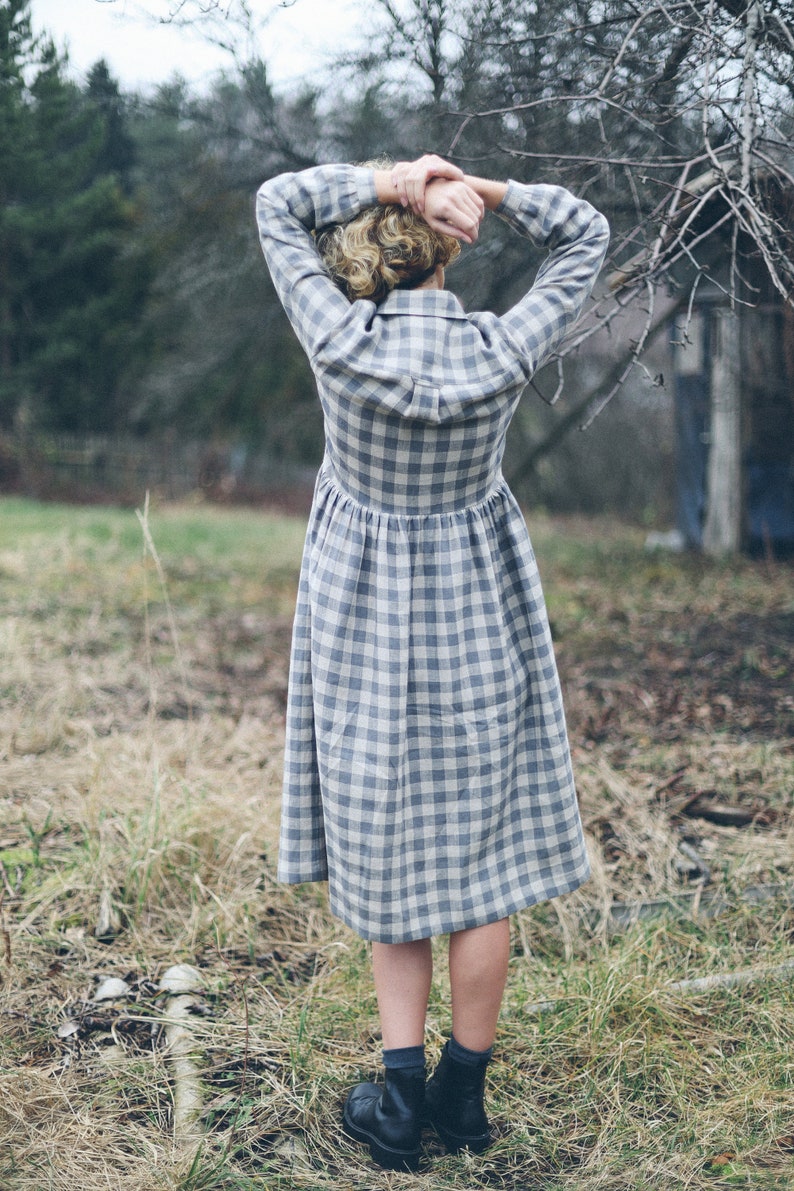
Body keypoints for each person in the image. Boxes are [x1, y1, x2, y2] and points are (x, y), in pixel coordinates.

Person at [256, 154, 609, 1172]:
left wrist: (391, 174)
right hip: (476, 627)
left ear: (367, 268)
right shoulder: (499, 350)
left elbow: (275, 202)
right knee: (478, 867)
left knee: (388, 860)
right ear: (443, 261)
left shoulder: (338, 344)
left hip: (364, 638)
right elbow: (583, 232)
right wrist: (481, 194)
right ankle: (463, 1096)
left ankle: (398, 1098)